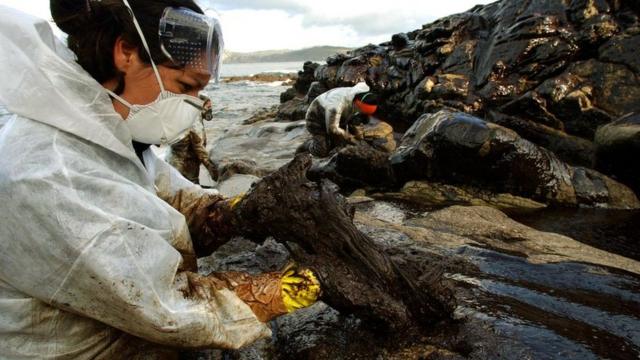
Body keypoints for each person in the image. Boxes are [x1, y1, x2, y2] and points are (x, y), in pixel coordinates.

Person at [0, 1, 319, 358]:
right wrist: (279, 291)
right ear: (126, 52)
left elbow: (165, 194)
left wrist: (231, 212)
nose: (195, 104)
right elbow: (165, 308)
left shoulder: (106, 131)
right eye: (184, 86)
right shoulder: (51, 173)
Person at [299, 82, 395, 157]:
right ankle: (309, 145)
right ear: (356, 104)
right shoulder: (336, 104)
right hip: (316, 119)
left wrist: (358, 135)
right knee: (322, 151)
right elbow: (332, 129)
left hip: (342, 117)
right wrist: (351, 138)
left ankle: (331, 142)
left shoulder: (360, 98)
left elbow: (355, 120)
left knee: (341, 145)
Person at [167, 94, 219, 184]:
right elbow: (200, 148)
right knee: (189, 187)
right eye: (209, 107)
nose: (210, 110)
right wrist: (213, 171)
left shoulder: (185, 113)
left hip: (174, 160)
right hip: (185, 164)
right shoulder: (194, 120)